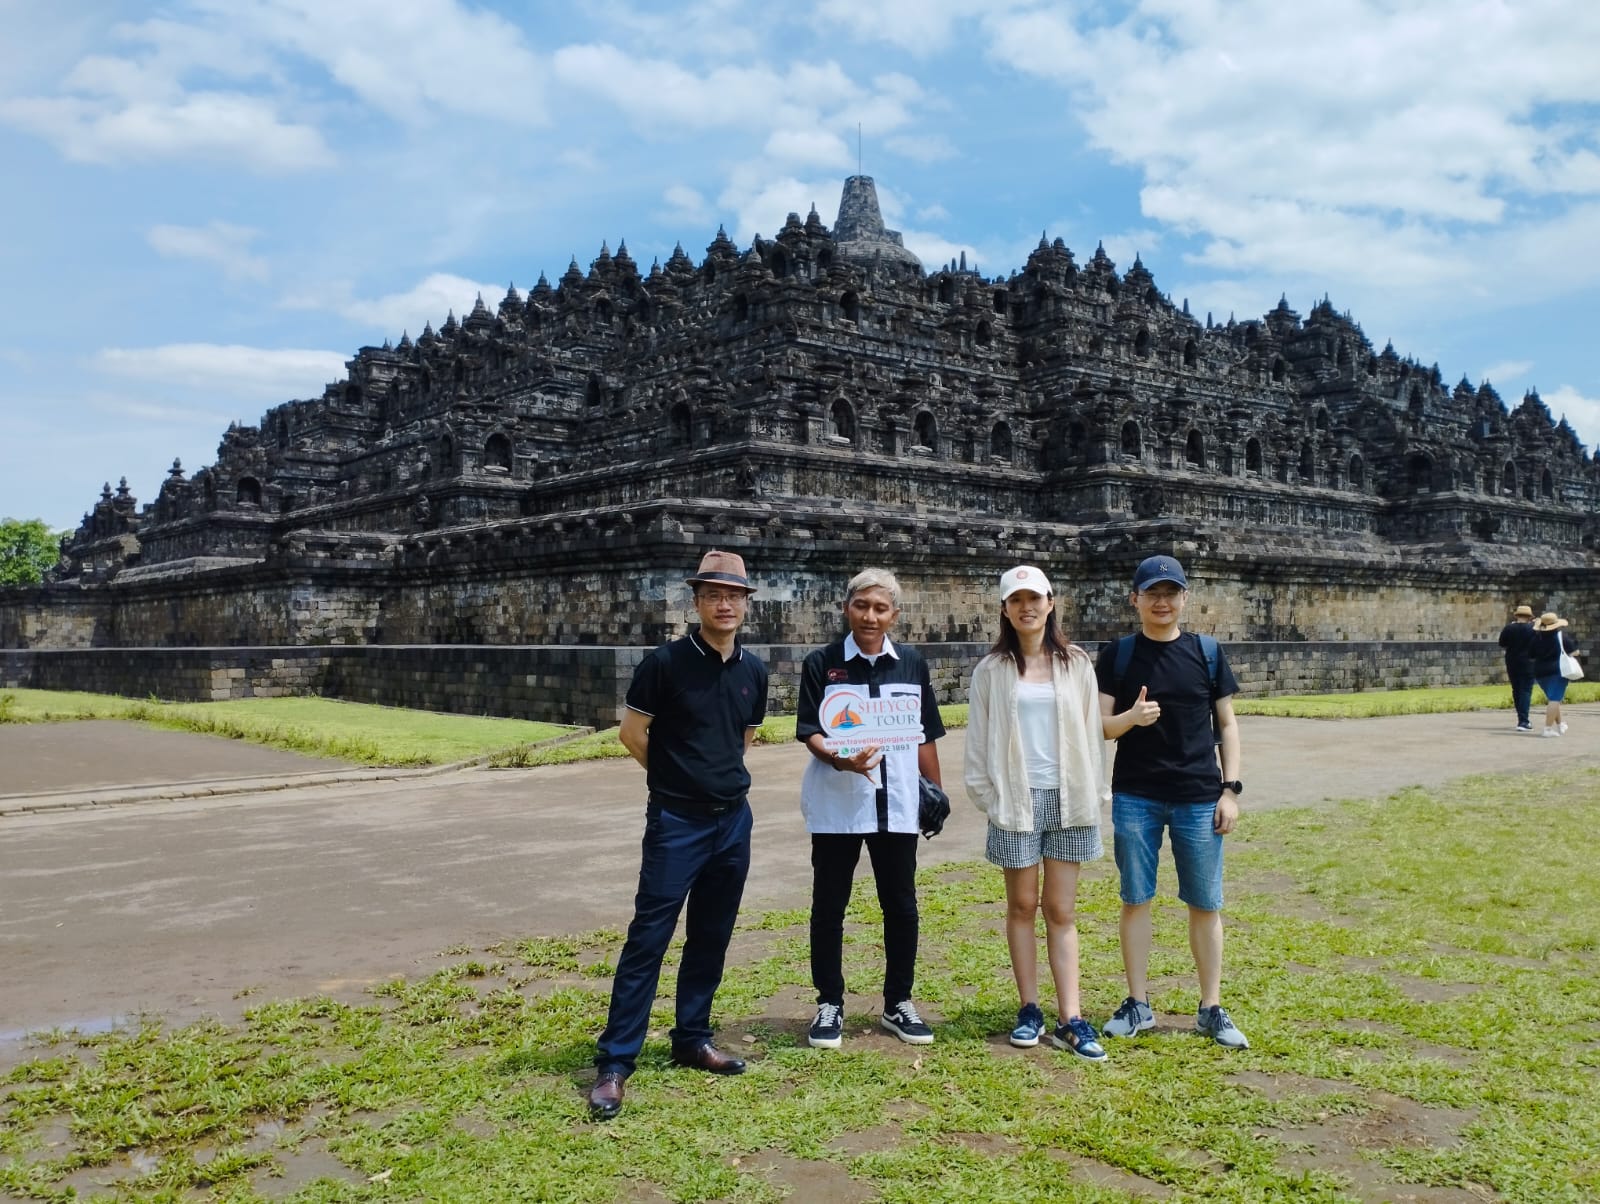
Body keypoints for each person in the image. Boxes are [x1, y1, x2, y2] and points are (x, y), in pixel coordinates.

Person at [588, 550, 770, 1120]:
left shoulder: (753, 670)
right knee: (650, 937)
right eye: (714, 594)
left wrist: (715, 782)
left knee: (711, 933)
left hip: (732, 820)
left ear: (745, 604)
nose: (725, 604)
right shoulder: (665, 664)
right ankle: (616, 1062)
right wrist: (676, 781)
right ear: (696, 601)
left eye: (734, 595)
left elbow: (742, 738)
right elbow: (632, 733)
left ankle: (692, 1037)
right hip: (677, 821)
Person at [1096, 555, 1249, 1049]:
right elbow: (1101, 727)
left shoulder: (1206, 652)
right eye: (1152, 593)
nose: (1162, 602)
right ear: (1134, 598)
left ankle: (1211, 1006)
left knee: (1206, 903)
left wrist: (1231, 789)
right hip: (1136, 794)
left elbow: (1226, 724)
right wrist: (1132, 718)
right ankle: (1138, 1002)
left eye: (1171, 593)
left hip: (1199, 796)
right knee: (1135, 898)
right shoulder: (1117, 655)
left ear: (1185, 598)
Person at [795, 568, 945, 1049]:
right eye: (862, 606)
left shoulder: (912, 665)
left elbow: (925, 735)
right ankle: (829, 1003)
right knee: (830, 904)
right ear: (846, 608)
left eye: (881, 608)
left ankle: (898, 1003)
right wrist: (840, 759)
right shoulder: (822, 663)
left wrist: (935, 793)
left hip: (896, 804)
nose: (870, 616)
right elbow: (809, 730)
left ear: (894, 614)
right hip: (839, 804)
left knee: (900, 905)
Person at [965, 565, 1110, 1061]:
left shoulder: (1076, 665)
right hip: (1016, 799)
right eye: (1016, 600)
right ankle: (1030, 1007)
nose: (1027, 607)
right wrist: (990, 797)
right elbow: (978, 744)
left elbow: (1092, 733)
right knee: (1023, 906)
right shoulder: (991, 671)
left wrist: (1095, 792)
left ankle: (1072, 1015)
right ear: (1005, 609)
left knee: (1061, 910)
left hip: (1068, 797)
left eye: (1036, 598)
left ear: (1051, 602)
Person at [1529, 611, 1578, 739]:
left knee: (1553, 699)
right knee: (1555, 699)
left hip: (1540, 672)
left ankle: (1560, 724)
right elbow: (1574, 652)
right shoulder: (1561, 637)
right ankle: (1547, 729)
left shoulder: (1536, 638)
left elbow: (1531, 655)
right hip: (1557, 671)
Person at [1497, 604, 1537, 732]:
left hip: (1512, 661)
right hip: (1528, 661)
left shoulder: (1509, 628)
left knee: (1516, 689)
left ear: (1517, 615)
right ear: (1529, 617)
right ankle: (1523, 721)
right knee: (1526, 690)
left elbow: (1502, 643)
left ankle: (1521, 718)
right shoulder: (1533, 629)